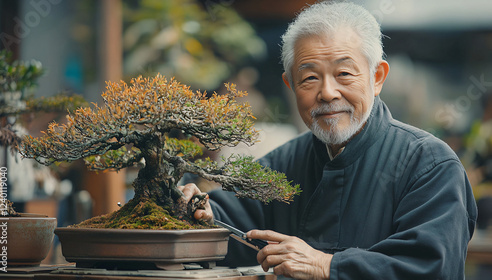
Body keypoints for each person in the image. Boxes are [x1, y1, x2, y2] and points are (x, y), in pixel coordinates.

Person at [180, 2, 477, 279]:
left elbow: (432, 266)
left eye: (344, 73)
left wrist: (327, 265)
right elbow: (232, 221)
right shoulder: (285, 162)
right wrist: (200, 213)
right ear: (290, 84)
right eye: (309, 78)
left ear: (377, 77)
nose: (327, 93)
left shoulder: (430, 164)